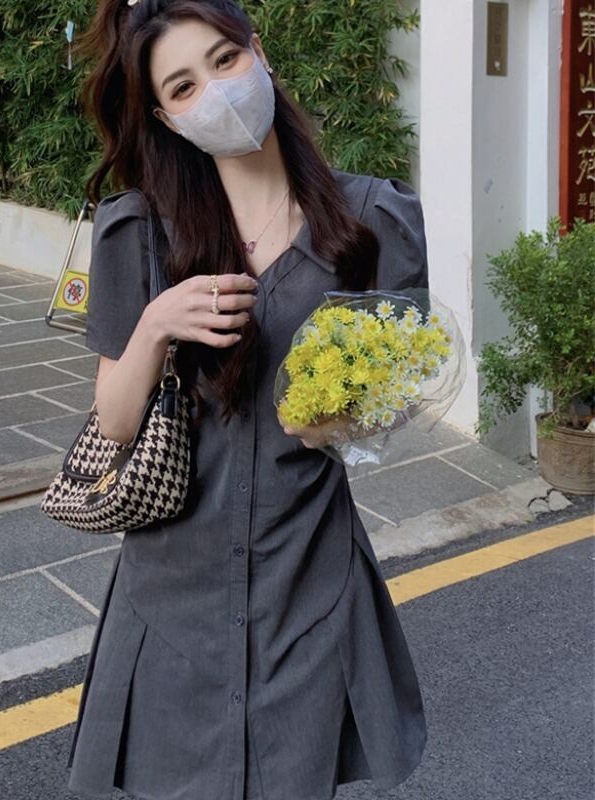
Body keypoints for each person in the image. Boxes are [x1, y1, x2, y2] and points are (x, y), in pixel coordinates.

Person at [65, 1, 429, 798]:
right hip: (172, 603)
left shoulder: (371, 220)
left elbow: (394, 395)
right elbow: (115, 421)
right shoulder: (140, 231)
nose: (217, 92)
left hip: (307, 584)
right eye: (184, 86)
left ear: (260, 54)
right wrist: (158, 324)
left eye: (225, 60)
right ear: (166, 117)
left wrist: (338, 418)